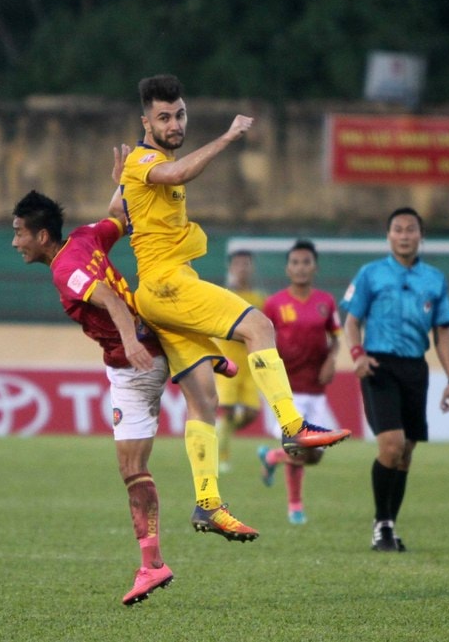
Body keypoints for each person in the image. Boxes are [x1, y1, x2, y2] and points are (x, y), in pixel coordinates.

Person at [116, 73, 351, 540]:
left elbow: (122, 214)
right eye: (164, 116)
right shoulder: (148, 160)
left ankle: (208, 504)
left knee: (204, 398)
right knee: (260, 325)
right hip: (167, 286)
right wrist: (228, 135)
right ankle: (291, 426)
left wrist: (116, 187)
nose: (175, 123)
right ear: (146, 121)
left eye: (180, 114)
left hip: (163, 291)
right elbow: (178, 174)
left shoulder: (143, 164)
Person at [11, 187, 173, 606]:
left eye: (19, 233)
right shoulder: (85, 236)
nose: (15, 242)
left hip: (134, 364)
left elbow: (110, 299)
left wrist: (130, 343)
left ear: (42, 236)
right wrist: (122, 185)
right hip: (145, 351)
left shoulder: (66, 270)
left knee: (132, 468)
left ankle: (152, 565)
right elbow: (120, 218)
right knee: (134, 466)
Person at [341, 207, 449, 552]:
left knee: (406, 453)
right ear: (388, 235)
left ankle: (389, 525)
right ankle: (381, 525)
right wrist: (357, 355)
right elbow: (351, 321)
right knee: (391, 445)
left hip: (414, 368)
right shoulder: (370, 274)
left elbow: (442, 331)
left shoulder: (434, 279)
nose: (404, 235)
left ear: (421, 236)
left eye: (411, 229)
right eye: (398, 229)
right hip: (378, 366)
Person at [256, 240, 342, 524]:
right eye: (295, 262)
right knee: (299, 448)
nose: (300, 267)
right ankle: (295, 507)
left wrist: (331, 361)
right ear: (287, 268)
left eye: (306, 262)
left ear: (314, 267)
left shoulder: (325, 302)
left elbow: (337, 337)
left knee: (316, 454)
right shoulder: (274, 304)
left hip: (315, 390)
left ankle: (272, 458)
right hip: (286, 391)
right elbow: (261, 342)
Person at [214, 250, 266, 474]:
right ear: (230, 268)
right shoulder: (222, 296)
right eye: (238, 264)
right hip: (227, 364)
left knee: (252, 413)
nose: (242, 268)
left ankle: (220, 432)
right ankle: (222, 458)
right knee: (226, 409)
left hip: (250, 366)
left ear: (252, 268)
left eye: (246, 264)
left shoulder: (260, 299)